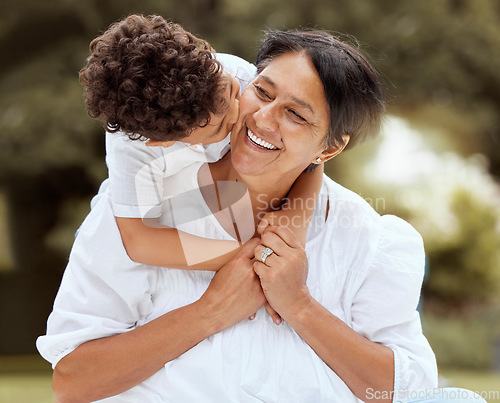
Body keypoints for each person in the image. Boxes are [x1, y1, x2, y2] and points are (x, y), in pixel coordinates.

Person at [38, 29, 467, 402]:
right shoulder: (140, 205)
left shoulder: (370, 239)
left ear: (329, 149)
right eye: (262, 92)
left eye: (296, 114)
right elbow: (72, 384)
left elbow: (408, 394)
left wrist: (298, 305)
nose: (262, 119)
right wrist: (210, 311)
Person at [77, 14, 322, 274]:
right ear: (163, 141)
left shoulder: (241, 75)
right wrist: (253, 257)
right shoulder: (131, 149)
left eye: (231, 92)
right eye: (218, 128)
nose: (239, 113)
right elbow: (139, 241)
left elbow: (312, 146)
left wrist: (295, 216)